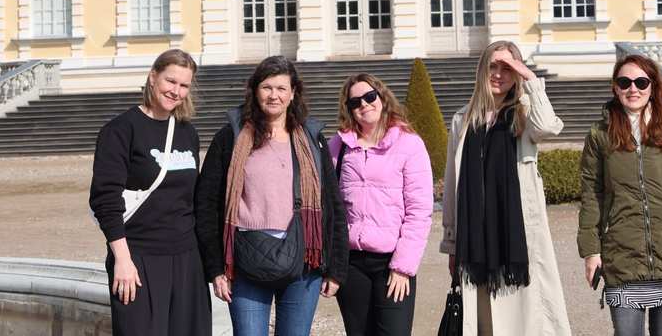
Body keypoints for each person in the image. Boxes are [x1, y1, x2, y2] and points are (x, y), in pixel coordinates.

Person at [195, 55, 349, 336]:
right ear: (255, 90)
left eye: (281, 88)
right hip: (245, 262)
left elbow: (333, 205)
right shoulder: (230, 138)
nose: (274, 95)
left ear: (293, 94)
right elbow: (206, 205)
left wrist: (336, 268)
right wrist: (216, 268)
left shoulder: (312, 139)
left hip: (304, 260)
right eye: (267, 87)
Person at [440, 40, 572, 336]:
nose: (499, 74)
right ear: (481, 70)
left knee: (522, 320)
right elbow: (453, 182)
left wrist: (530, 78)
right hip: (475, 239)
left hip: (516, 234)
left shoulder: (525, 113)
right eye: (493, 66)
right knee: (485, 322)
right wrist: (451, 243)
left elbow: (549, 127)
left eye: (507, 68)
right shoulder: (463, 119)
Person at [577, 53, 662, 336]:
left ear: (653, 86)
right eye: (625, 82)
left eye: (641, 81)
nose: (633, 89)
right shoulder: (600, 133)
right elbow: (591, 193)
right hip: (622, 256)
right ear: (615, 87)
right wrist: (590, 251)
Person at [89, 49, 212, 335]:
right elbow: (105, 199)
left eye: (184, 85)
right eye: (171, 81)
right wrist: (122, 259)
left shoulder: (187, 133)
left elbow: (193, 199)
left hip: (186, 258)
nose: (176, 91)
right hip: (138, 256)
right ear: (153, 77)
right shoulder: (120, 130)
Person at [328, 73, 433, 336]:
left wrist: (403, 266)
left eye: (369, 96)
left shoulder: (410, 144)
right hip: (351, 264)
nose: (364, 104)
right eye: (355, 102)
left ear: (382, 97)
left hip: (391, 262)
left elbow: (419, 212)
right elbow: (327, 206)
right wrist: (332, 264)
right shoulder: (338, 146)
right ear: (349, 109)